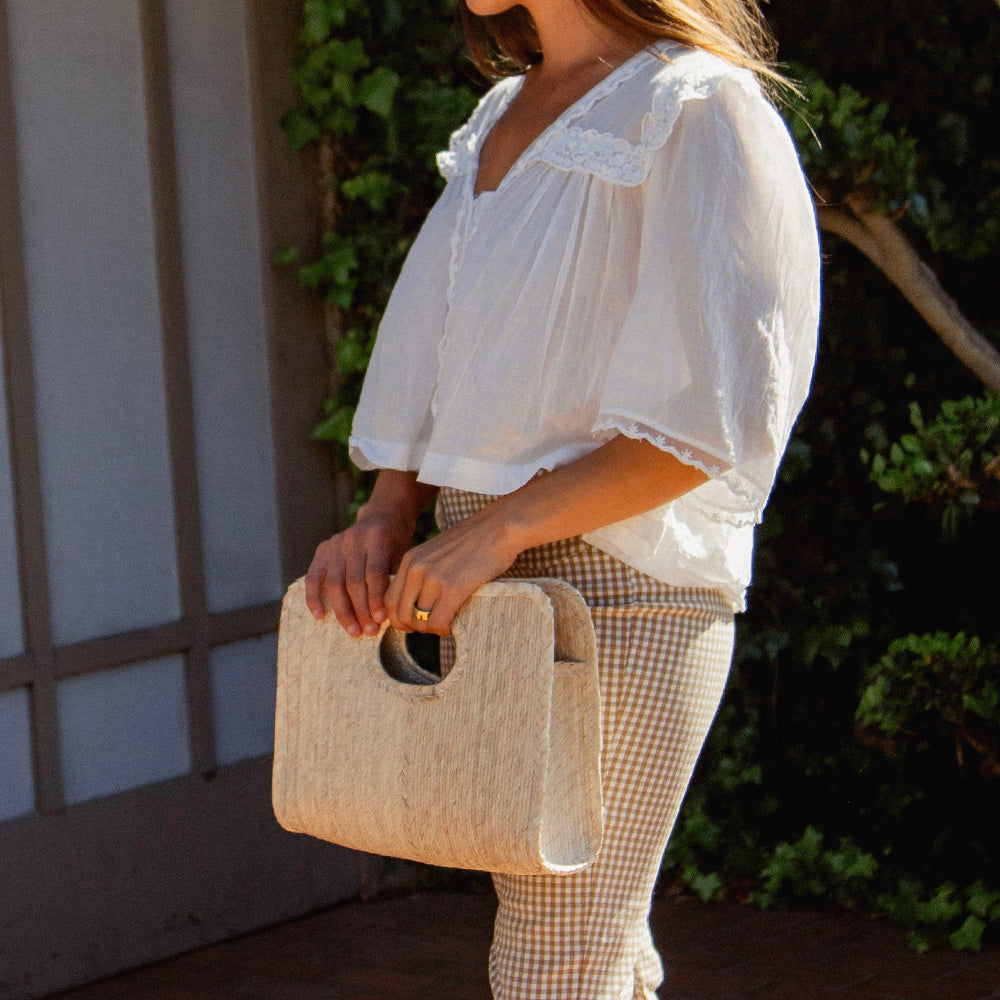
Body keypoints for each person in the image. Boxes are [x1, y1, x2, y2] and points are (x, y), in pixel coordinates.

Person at [305, 0, 820, 995]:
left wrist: (498, 529)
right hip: (480, 581)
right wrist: (385, 515)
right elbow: (442, 348)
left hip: (622, 587)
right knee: (592, 948)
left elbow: (712, 415)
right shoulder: (502, 111)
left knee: (554, 954)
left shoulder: (699, 105)